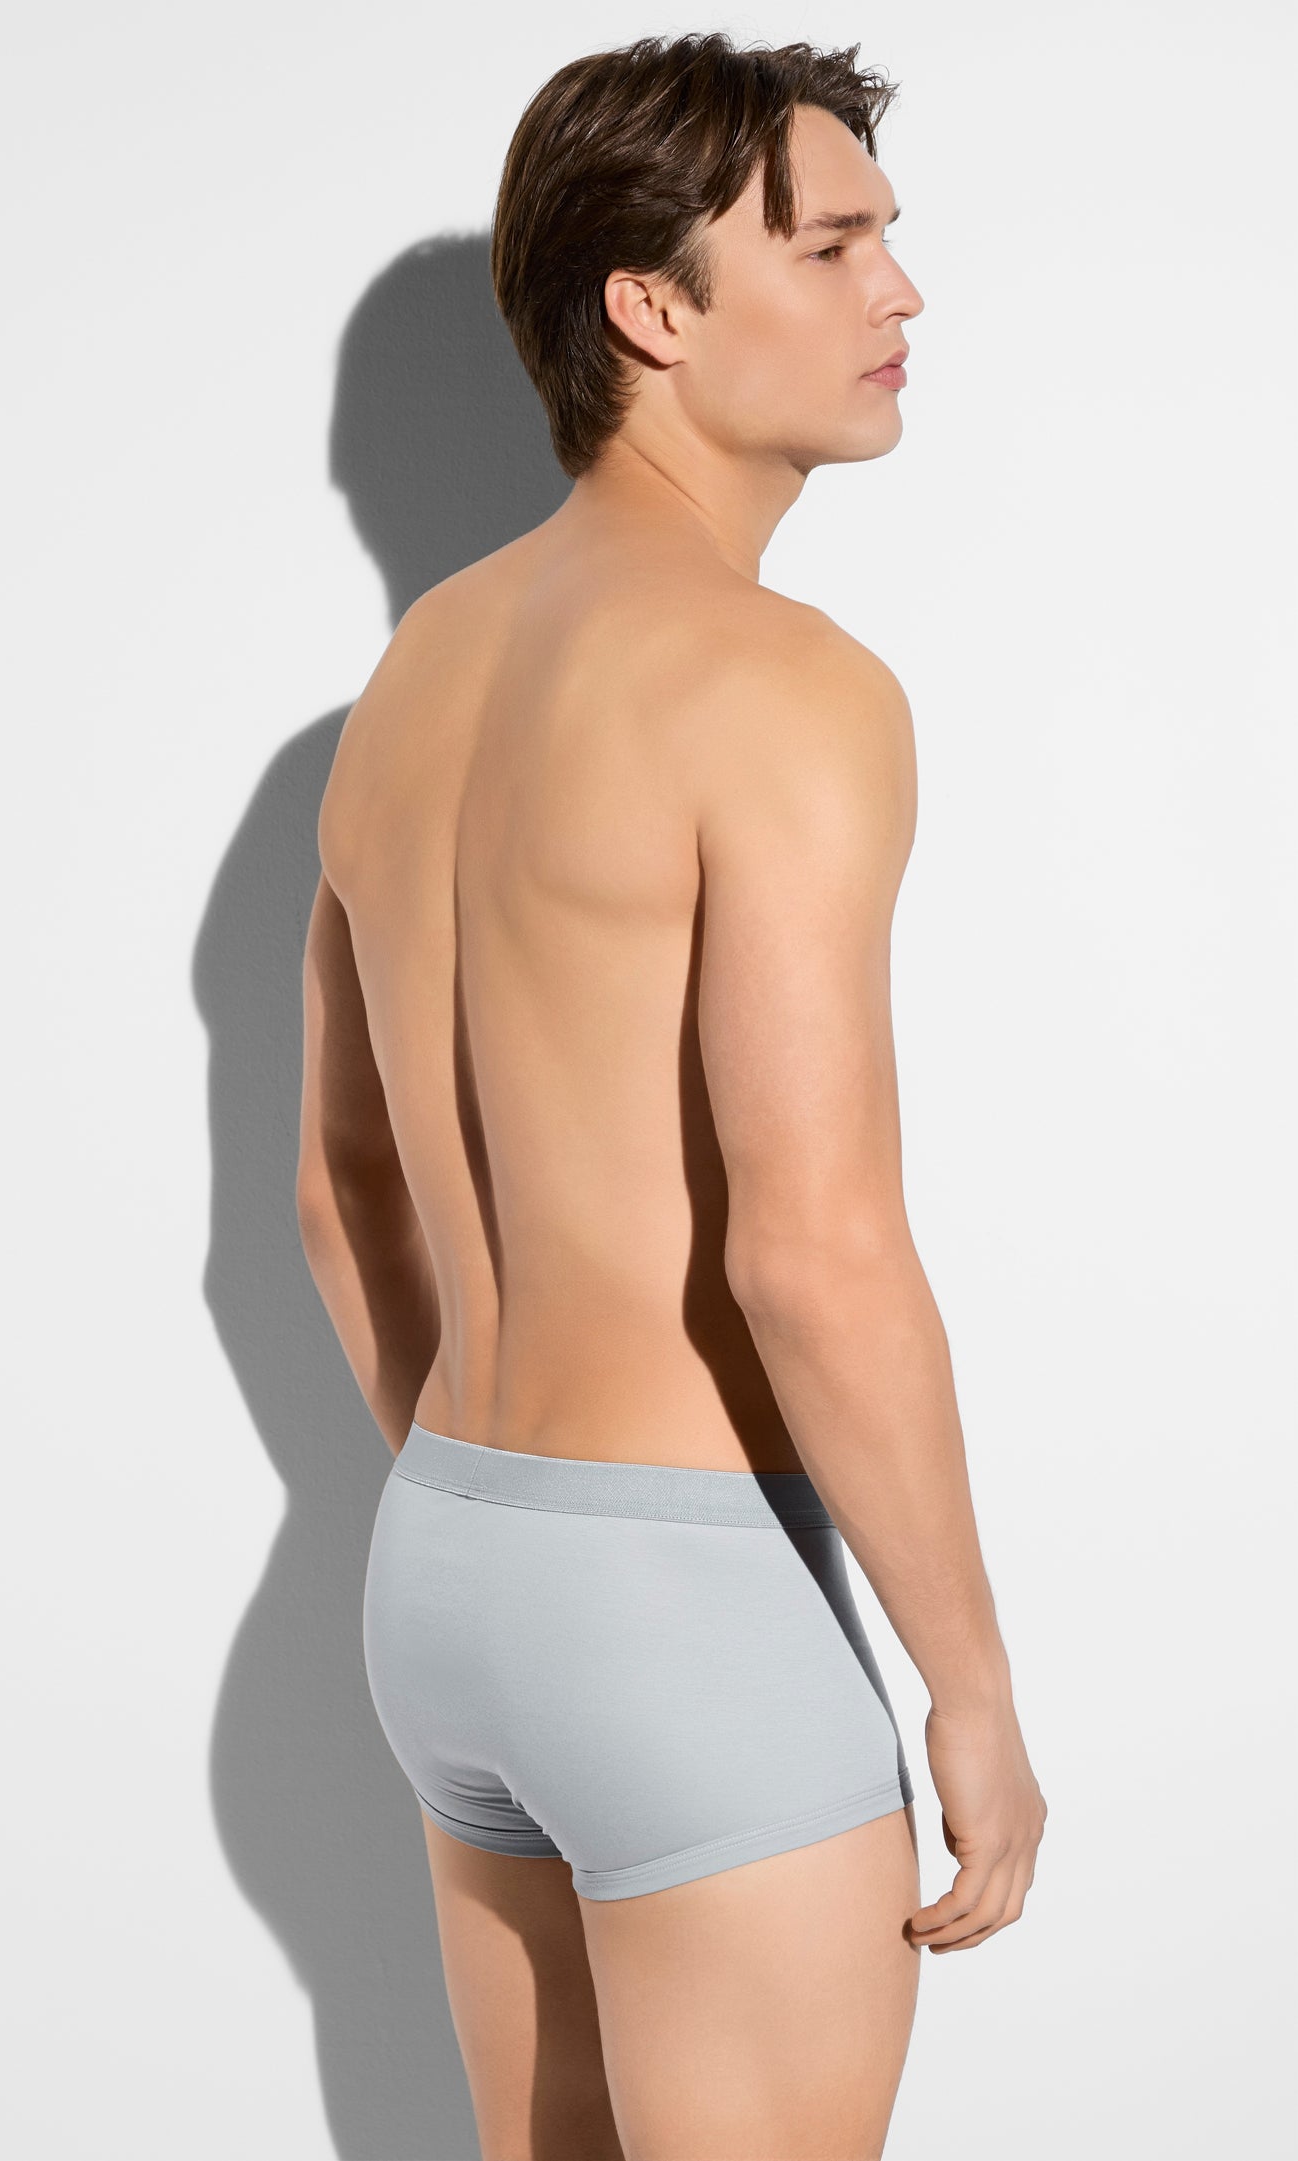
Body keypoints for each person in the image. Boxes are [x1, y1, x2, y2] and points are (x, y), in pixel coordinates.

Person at [296, 30, 1046, 2161]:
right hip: (684, 1605)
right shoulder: (784, 686)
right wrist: (970, 1688)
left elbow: (341, 1190)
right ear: (652, 306)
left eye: (888, 238)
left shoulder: (415, 677)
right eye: (830, 246)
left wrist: (503, 1527)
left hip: (448, 1559)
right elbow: (812, 1251)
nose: (900, 290)